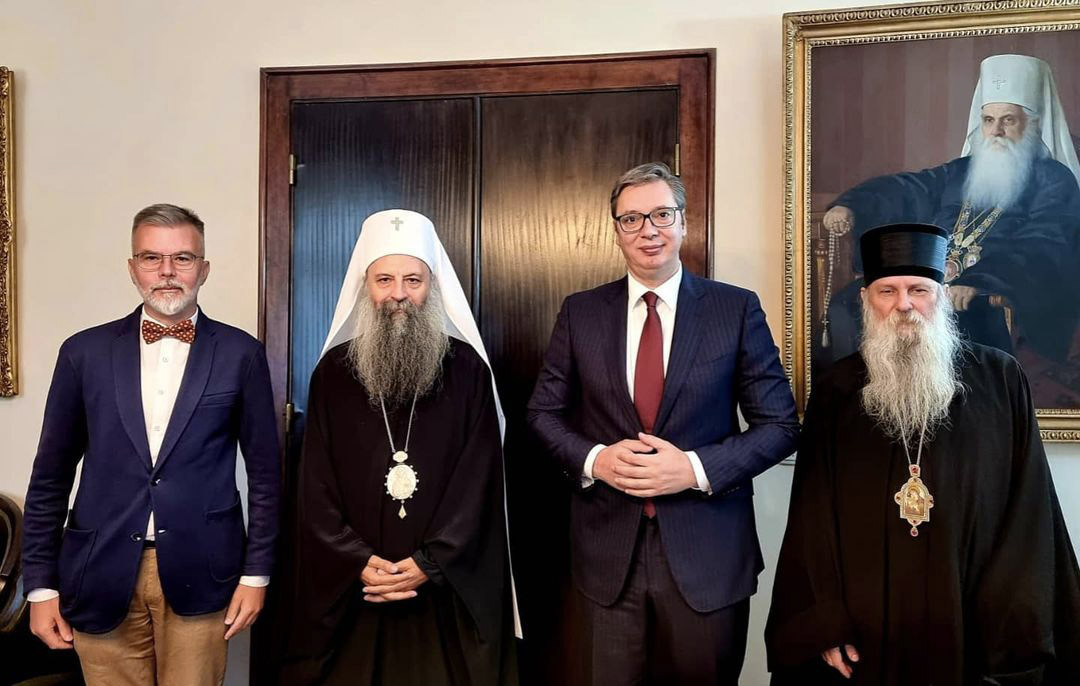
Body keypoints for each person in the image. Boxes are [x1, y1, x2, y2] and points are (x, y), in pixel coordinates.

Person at [766, 223, 1080, 684]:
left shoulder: (1000, 378)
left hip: (975, 619)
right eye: (887, 291)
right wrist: (825, 620)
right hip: (865, 627)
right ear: (866, 300)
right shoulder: (837, 389)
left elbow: (1029, 510)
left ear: (942, 295)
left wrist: (1009, 629)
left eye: (918, 290)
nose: (904, 305)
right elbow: (812, 516)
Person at [527, 162, 799, 683]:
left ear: (684, 222)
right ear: (617, 231)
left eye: (661, 215)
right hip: (607, 559)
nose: (648, 230)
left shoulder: (734, 309)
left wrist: (694, 469)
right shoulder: (581, 312)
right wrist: (596, 460)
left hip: (708, 556)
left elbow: (780, 425)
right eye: (631, 219)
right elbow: (542, 414)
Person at [23, 204, 281, 685]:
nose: (167, 271)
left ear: (204, 268)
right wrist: (38, 586)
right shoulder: (82, 352)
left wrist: (256, 574)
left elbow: (266, 475)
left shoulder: (241, 353)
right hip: (98, 569)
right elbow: (50, 476)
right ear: (132, 267)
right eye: (151, 258)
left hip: (204, 569)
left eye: (183, 258)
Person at [281, 209, 517, 685]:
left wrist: (429, 563)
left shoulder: (467, 370)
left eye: (413, 280)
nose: (398, 294)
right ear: (365, 287)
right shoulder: (333, 374)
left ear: (432, 286)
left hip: (444, 589)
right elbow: (315, 484)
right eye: (384, 280)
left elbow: (480, 482)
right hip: (355, 588)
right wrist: (357, 560)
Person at [822, 54, 1080, 362]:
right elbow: (909, 188)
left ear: (1033, 124)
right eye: (988, 120)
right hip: (929, 285)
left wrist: (980, 281)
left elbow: (1044, 245)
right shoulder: (962, 171)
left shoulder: (1054, 179)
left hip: (991, 293)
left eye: (1008, 120)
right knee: (847, 305)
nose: (996, 131)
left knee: (956, 320)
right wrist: (851, 206)